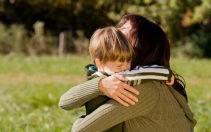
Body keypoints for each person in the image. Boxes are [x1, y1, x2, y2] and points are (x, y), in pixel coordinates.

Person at [59, 14, 196, 132]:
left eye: (123, 30)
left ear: (138, 44)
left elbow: (80, 130)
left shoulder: (140, 89)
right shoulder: (153, 79)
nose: (115, 33)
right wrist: (101, 85)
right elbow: (64, 102)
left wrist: (81, 119)